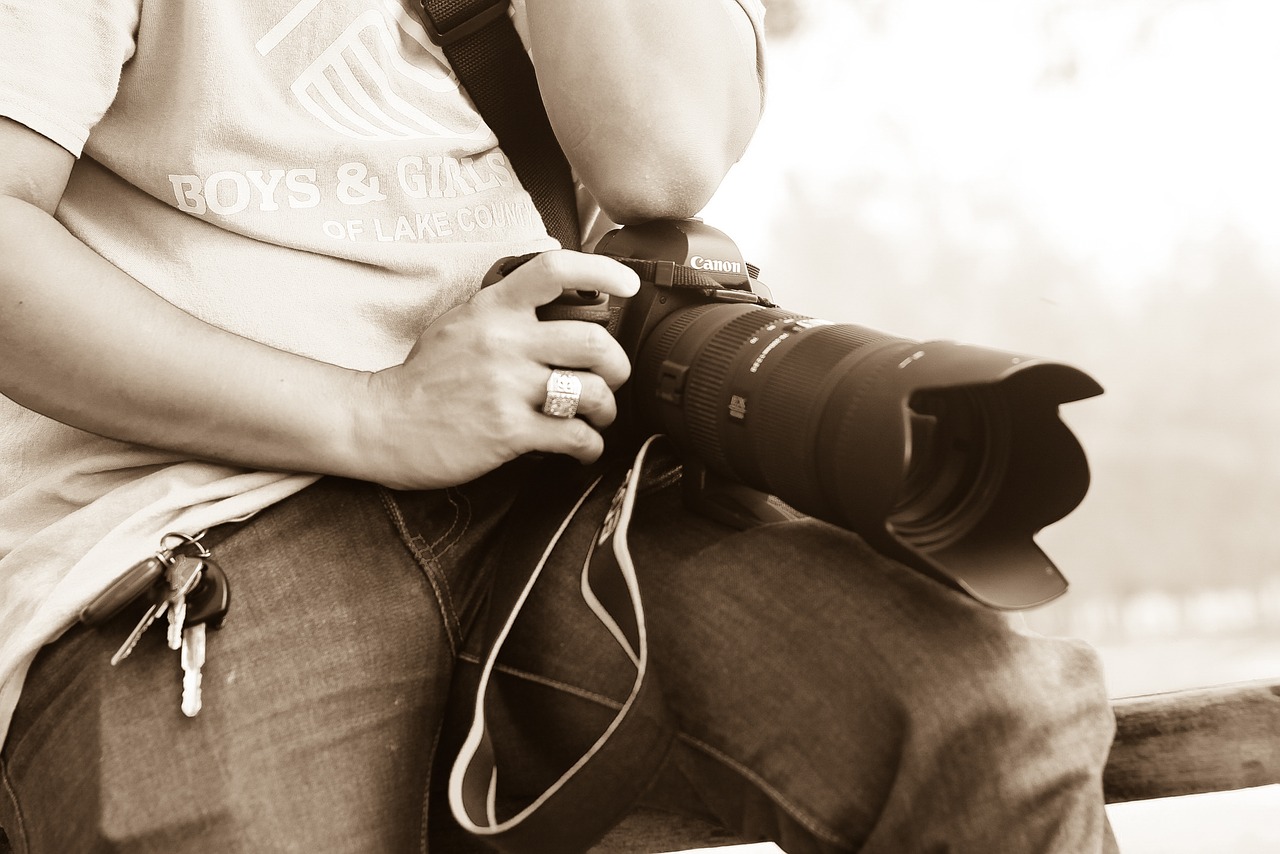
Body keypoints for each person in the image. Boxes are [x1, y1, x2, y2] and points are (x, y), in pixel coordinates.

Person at [0, 1, 1119, 851]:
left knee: (986, 718)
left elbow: (657, 158)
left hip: (567, 476)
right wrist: (368, 412)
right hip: (213, 509)